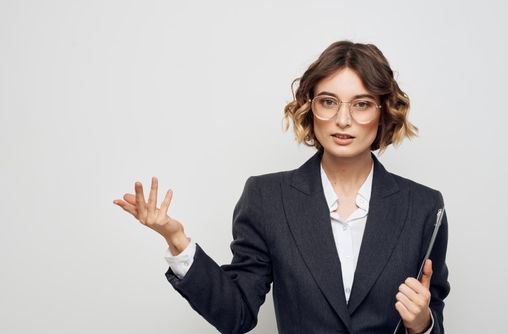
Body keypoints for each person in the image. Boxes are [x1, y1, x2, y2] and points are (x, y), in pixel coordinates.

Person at [113, 40, 450, 334]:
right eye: (329, 101)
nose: (343, 120)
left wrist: (422, 324)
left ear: (383, 112)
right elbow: (237, 316)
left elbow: (431, 314)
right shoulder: (267, 199)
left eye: (361, 104)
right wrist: (177, 241)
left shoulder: (423, 208)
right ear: (310, 107)